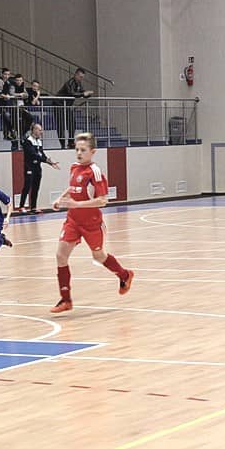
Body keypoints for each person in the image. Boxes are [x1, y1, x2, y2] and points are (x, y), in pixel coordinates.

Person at [50, 132, 133, 313]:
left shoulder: (95, 172)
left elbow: (103, 200)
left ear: (92, 152)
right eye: (77, 149)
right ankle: (66, 300)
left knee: (99, 256)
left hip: (92, 223)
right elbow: (73, 187)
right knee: (60, 255)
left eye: (83, 150)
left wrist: (78, 204)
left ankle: (125, 275)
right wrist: (60, 198)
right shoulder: (74, 167)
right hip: (73, 220)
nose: (79, 153)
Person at [19, 123, 60, 213]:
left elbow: (41, 154)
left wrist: (50, 162)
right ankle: (21, 206)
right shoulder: (27, 141)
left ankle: (33, 207)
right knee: (27, 186)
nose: (41, 132)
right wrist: (45, 160)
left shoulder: (39, 141)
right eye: (39, 130)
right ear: (34, 130)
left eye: (41, 130)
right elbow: (33, 154)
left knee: (36, 187)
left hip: (37, 167)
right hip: (29, 167)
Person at [55, 68, 94, 149]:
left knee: (72, 123)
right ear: (76, 75)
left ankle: (71, 142)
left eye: (82, 77)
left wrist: (88, 94)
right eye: (80, 77)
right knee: (61, 125)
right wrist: (83, 94)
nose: (81, 79)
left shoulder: (78, 83)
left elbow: (82, 92)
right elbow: (72, 93)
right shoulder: (69, 83)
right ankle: (62, 144)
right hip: (59, 104)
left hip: (67, 106)